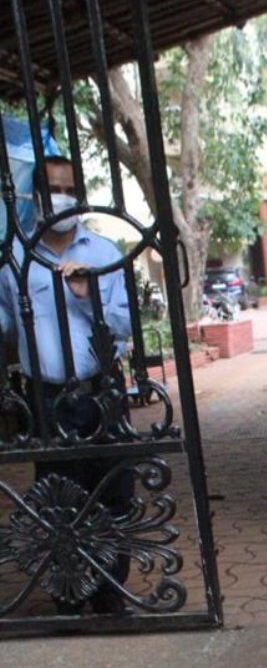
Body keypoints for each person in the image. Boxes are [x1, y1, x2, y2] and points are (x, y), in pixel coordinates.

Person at [0, 153, 133, 614]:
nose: (63, 198)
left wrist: (88, 293)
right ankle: (68, 599)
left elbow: (125, 322)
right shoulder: (15, 256)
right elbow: (6, 323)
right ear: (35, 197)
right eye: (54, 189)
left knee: (112, 493)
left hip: (100, 390)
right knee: (57, 501)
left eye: (70, 189)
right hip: (46, 397)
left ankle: (112, 596)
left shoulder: (104, 252)